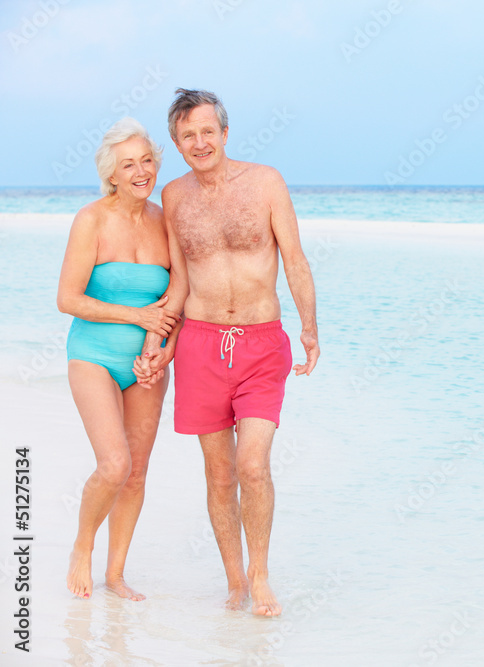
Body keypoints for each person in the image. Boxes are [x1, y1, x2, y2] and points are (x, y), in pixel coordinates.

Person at [138, 88, 319, 617]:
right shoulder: (173, 197)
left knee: (253, 464)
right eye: (188, 135)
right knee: (219, 474)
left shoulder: (265, 182)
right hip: (199, 344)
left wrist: (310, 329)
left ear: (224, 131)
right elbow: (178, 280)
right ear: (176, 141)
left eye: (207, 131)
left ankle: (261, 574)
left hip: (263, 344)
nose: (200, 142)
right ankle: (235, 582)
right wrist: (159, 343)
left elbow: (296, 259)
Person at [57, 117, 178, 601]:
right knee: (113, 465)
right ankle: (82, 547)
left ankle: (116, 573)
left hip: (149, 366)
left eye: (147, 160)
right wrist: (137, 317)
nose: (141, 171)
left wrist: (164, 348)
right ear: (111, 173)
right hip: (93, 356)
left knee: (138, 472)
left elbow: (177, 298)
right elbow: (67, 298)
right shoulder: (91, 220)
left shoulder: (165, 221)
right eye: (129, 164)